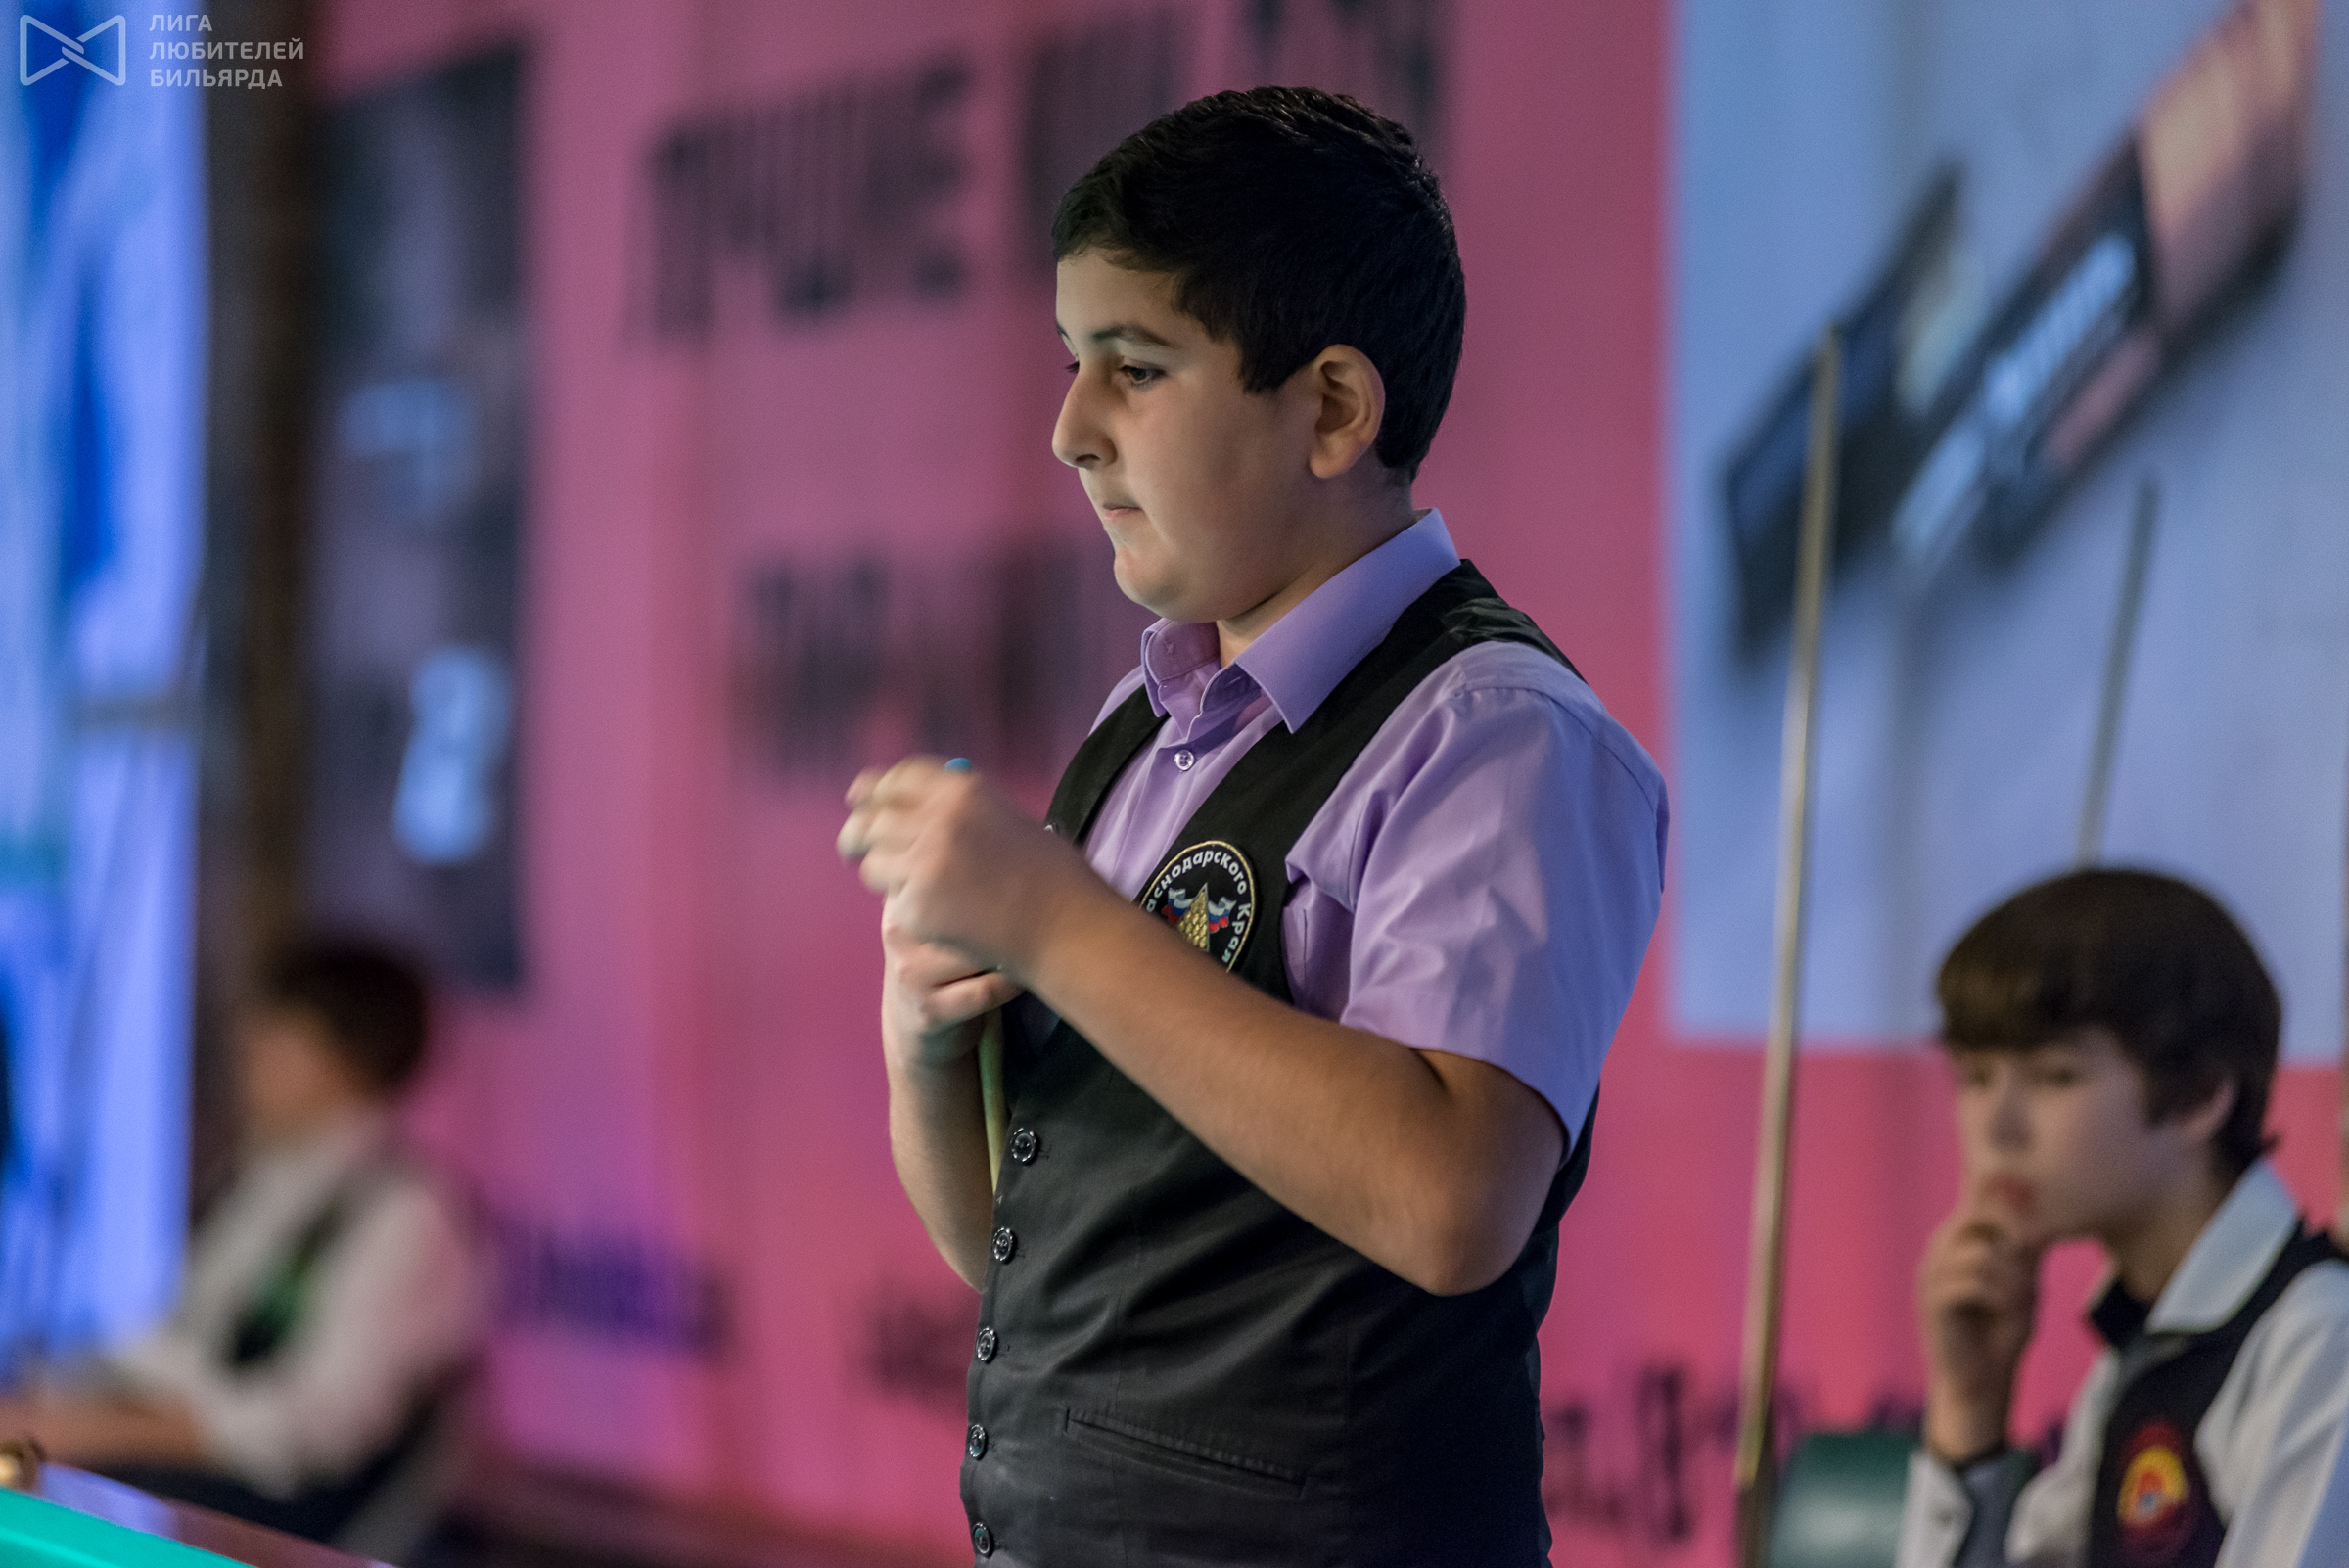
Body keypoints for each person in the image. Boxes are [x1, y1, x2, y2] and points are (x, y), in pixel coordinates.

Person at [837, 87, 1666, 1567]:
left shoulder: (1494, 730)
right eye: (1073, 364)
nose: (1070, 431)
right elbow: (1029, 1253)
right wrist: (927, 1032)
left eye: (1136, 368)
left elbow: (1451, 1199)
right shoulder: (1144, 725)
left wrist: (1052, 922)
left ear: (1333, 408)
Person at [1900, 869, 2349, 1568]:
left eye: (2054, 1076)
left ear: (2200, 1095)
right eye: (1975, 1078)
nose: (1996, 1128)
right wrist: (1969, 1407)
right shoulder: (2148, 1344)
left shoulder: (2318, 1337)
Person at [0, 937, 485, 1555]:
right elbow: (185, 1348)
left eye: (276, 1036)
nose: (247, 1054)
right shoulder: (262, 1179)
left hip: (280, 1518)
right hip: (194, 1472)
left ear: (345, 1059)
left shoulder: (406, 1215)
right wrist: (65, 1399)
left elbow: (315, 1428)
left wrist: (104, 1429)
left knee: (45, 1488)